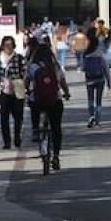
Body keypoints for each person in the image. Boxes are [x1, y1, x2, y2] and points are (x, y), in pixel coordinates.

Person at [26, 42, 70, 170]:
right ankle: (56, 156)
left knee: (32, 104)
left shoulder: (32, 66)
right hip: (54, 101)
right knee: (56, 129)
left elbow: (26, 82)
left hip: (37, 102)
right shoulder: (55, 66)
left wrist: (28, 91)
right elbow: (63, 82)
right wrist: (66, 93)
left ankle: (35, 130)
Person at [0, 35, 27, 150]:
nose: (8, 47)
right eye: (6, 45)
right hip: (2, 91)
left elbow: (25, 74)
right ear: (2, 46)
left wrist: (26, 88)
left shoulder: (19, 58)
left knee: (18, 116)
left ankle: (17, 137)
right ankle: (7, 141)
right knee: (4, 117)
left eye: (10, 45)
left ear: (14, 46)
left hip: (17, 91)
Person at [81, 28, 108, 128]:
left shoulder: (86, 54)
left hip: (89, 80)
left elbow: (83, 68)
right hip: (100, 79)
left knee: (90, 99)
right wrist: (109, 81)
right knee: (99, 100)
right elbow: (105, 67)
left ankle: (91, 115)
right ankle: (97, 119)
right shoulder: (100, 54)